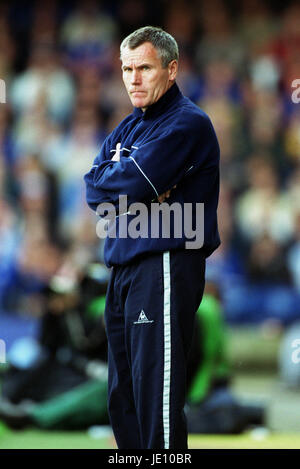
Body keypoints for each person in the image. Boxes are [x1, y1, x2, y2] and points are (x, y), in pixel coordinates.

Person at [84, 26, 220, 449]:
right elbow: (94, 188)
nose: (133, 79)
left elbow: (129, 185)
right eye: (126, 68)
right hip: (123, 265)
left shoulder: (187, 124)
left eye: (144, 67)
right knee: (121, 395)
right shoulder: (127, 129)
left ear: (172, 69)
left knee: (154, 392)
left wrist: (128, 189)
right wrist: (131, 189)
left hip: (162, 262)